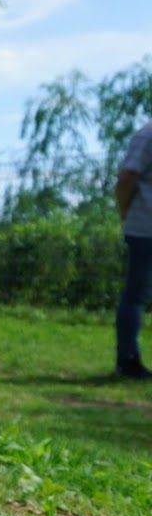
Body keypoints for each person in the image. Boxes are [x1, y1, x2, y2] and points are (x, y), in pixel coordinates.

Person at [114, 119, 152, 379]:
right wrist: (125, 211)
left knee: (137, 295)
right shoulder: (147, 135)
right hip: (146, 228)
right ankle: (128, 361)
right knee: (137, 295)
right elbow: (127, 177)